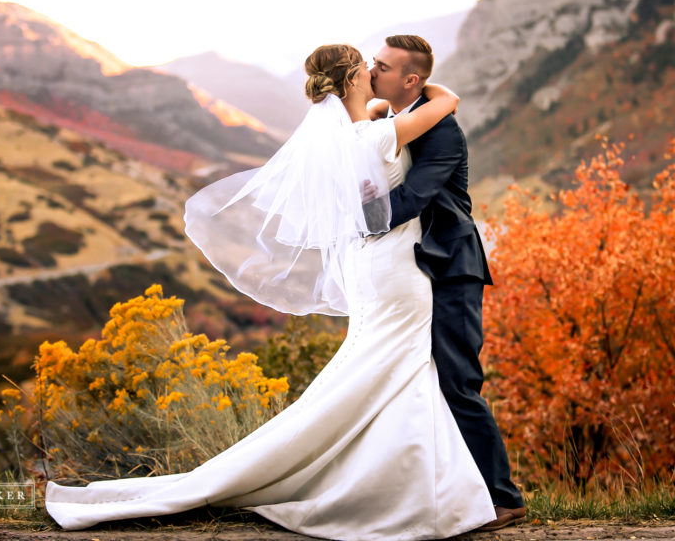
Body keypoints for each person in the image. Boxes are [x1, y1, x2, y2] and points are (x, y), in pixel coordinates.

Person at [44, 44, 498, 540]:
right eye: (368, 66)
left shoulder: (347, 132)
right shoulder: (376, 133)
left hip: (371, 262)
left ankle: (416, 481)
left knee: (385, 368)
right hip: (393, 263)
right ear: (350, 83)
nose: (373, 70)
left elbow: (379, 118)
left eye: (381, 65)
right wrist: (441, 95)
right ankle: (418, 490)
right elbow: (440, 108)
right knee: (403, 367)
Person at [369, 35, 525, 531]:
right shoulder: (402, 115)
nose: (373, 71)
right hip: (422, 264)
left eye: (383, 66)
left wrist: (348, 221)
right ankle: (449, 490)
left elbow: (412, 199)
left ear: (410, 80)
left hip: (453, 265)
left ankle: (504, 498)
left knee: (459, 380)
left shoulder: (442, 130)